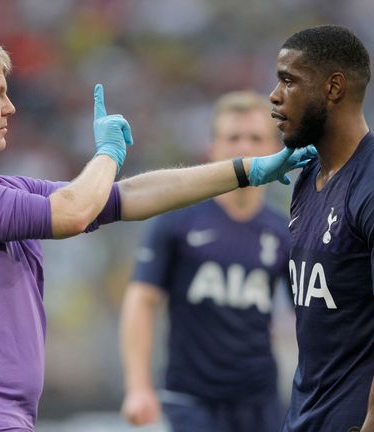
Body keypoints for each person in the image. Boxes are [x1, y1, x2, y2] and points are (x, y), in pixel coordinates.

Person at [0, 29, 315, 432]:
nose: (10, 107)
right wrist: (108, 151)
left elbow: (127, 196)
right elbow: (74, 212)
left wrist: (246, 171)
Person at [269, 25, 374, 431]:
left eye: (289, 81)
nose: (274, 96)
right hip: (307, 416)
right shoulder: (309, 175)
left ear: (333, 88)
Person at [119, 91, 292, 432]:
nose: (244, 146)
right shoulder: (177, 221)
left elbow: (310, 318)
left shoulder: (284, 232)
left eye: (256, 138)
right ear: (212, 148)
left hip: (260, 401)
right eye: (233, 137)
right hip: (190, 399)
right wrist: (138, 387)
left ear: (275, 150)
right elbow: (142, 299)